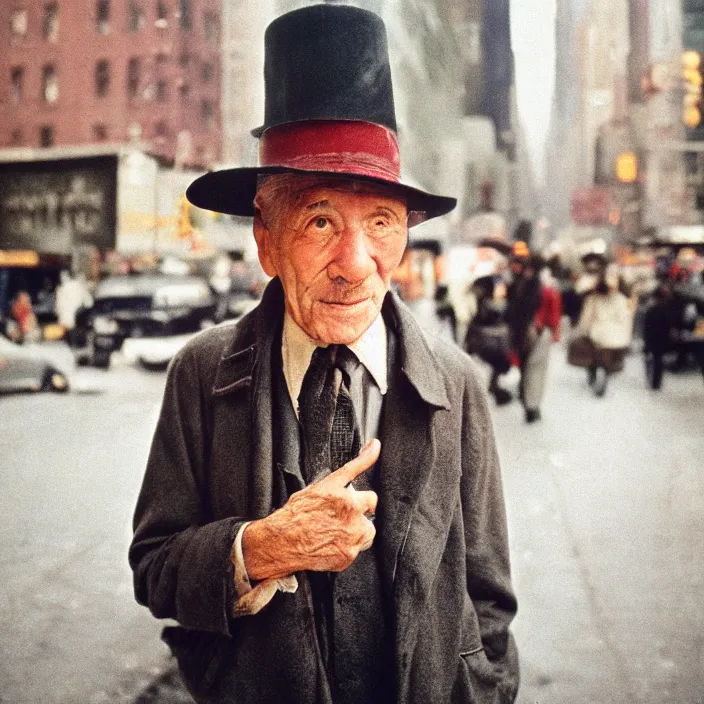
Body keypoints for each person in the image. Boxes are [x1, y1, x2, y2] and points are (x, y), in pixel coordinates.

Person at [129, 6, 518, 704]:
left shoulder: (457, 385)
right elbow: (154, 569)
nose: (355, 264)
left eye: (380, 223)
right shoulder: (200, 373)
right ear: (267, 239)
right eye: (319, 220)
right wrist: (258, 549)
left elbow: (488, 602)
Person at [577, 266, 633, 396]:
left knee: (595, 354)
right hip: (614, 335)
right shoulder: (622, 300)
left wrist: (583, 330)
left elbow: (587, 317)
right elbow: (625, 320)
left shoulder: (593, 299)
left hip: (597, 332)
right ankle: (604, 372)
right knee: (606, 355)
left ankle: (595, 373)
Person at [521, 260, 562, 423]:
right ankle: (533, 404)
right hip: (541, 331)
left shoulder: (525, 285)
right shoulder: (549, 288)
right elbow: (554, 313)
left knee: (529, 369)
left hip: (528, 331)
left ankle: (529, 402)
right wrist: (555, 332)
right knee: (538, 370)